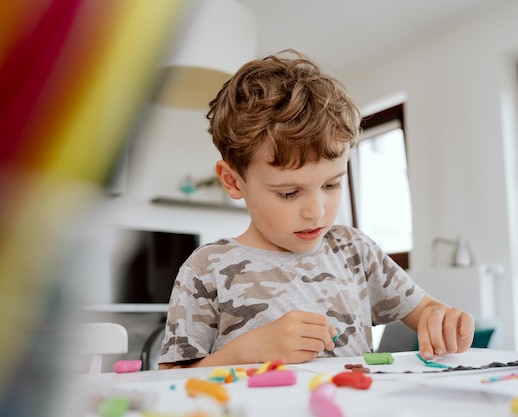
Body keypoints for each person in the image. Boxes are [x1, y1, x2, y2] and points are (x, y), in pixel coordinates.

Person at [158, 49, 474, 369]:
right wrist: (246, 352)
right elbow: (169, 379)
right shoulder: (206, 269)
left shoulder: (355, 251)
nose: (316, 211)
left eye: (332, 185)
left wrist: (442, 320)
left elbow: (427, 311)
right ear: (233, 181)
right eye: (289, 192)